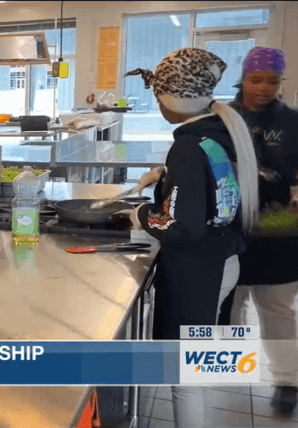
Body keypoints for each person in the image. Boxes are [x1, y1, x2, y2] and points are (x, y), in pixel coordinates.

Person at [125, 48, 259, 428]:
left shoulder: (187, 144)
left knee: (184, 381)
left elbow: (181, 225)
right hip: (221, 262)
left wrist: (139, 215)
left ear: (172, 99)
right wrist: (167, 177)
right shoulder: (217, 134)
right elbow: (215, 189)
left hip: (198, 271)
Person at [218, 47, 298, 418]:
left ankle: (287, 381)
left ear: (281, 83)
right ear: (243, 79)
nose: (263, 88)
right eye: (255, 80)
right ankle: (228, 359)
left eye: (272, 81)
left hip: (280, 228)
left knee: (276, 307)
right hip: (230, 224)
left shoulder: (294, 121)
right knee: (230, 299)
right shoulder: (221, 117)